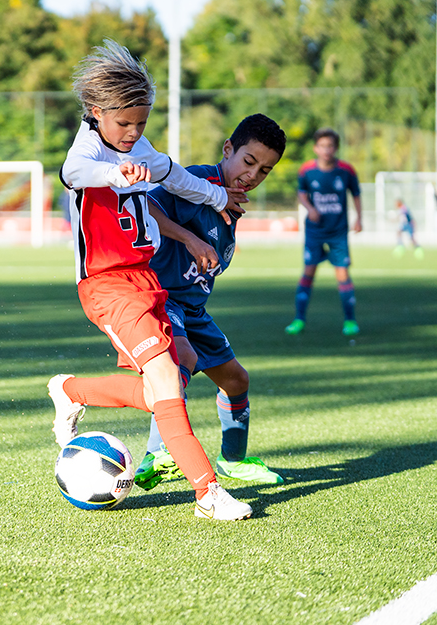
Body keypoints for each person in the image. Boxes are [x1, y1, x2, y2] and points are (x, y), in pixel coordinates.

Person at [49, 39, 252, 521]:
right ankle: (207, 492)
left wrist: (216, 198)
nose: (133, 132)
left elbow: (176, 176)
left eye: (141, 122)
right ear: (97, 112)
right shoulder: (88, 151)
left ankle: (71, 390)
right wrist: (118, 174)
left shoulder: (136, 145)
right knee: (164, 379)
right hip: (107, 285)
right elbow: (74, 171)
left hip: (145, 280)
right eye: (124, 123)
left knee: (176, 373)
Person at [134, 114, 287, 491]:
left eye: (264, 170)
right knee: (180, 360)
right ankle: (157, 452)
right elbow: (146, 207)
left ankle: (233, 460)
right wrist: (190, 238)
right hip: (163, 296)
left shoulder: (233, 202)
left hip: (193, 308)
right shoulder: (195, 181)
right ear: (228, 149)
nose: (252, 175)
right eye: (248, 162)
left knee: (236, 380)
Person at [285, 128, 362, 336]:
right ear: (315, 148)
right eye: (322, 146)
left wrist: (359, 218)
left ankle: (350, 321)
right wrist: (310, 209)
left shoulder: (346, 170)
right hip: (315, 232)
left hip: (338, 232)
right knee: (308, 272)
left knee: (343, 274)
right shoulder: (307, 170)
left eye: (330, 146)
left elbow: (356, 193)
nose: (326, 150)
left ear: (336, 148)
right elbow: (301, 193)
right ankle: (299, 319)